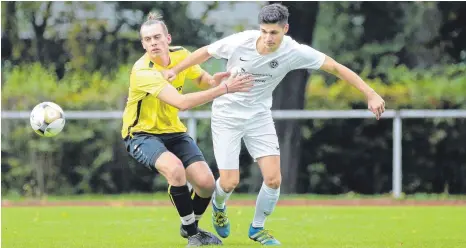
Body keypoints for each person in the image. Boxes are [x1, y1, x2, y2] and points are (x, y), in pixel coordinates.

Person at [163, 3, 386, 246]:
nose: (268, 38)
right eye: (264, 31)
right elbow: (206, 52)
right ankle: (218, 205)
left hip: (259, 116)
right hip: (227, 115)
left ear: (285, 29)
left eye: (274, 33)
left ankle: (257, 228)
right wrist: (175, 70)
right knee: (229, 182)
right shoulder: (242, 41)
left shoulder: (294, 51)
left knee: (273, 179)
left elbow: (335, 67)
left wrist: (370, 93)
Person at [121, 12, 252, 247]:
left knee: (206, 184)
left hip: (174, 131)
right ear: (143, 44)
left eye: (157, 37)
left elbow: (200, 77)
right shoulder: (143, 71)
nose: (153, 43)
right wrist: (224, 89)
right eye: (147, 39)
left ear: (167, 38)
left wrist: (213, 81)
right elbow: (182, 103)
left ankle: (189, 226)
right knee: (175, 170)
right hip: (140, 134)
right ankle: (194, 235)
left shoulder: (181, 55)